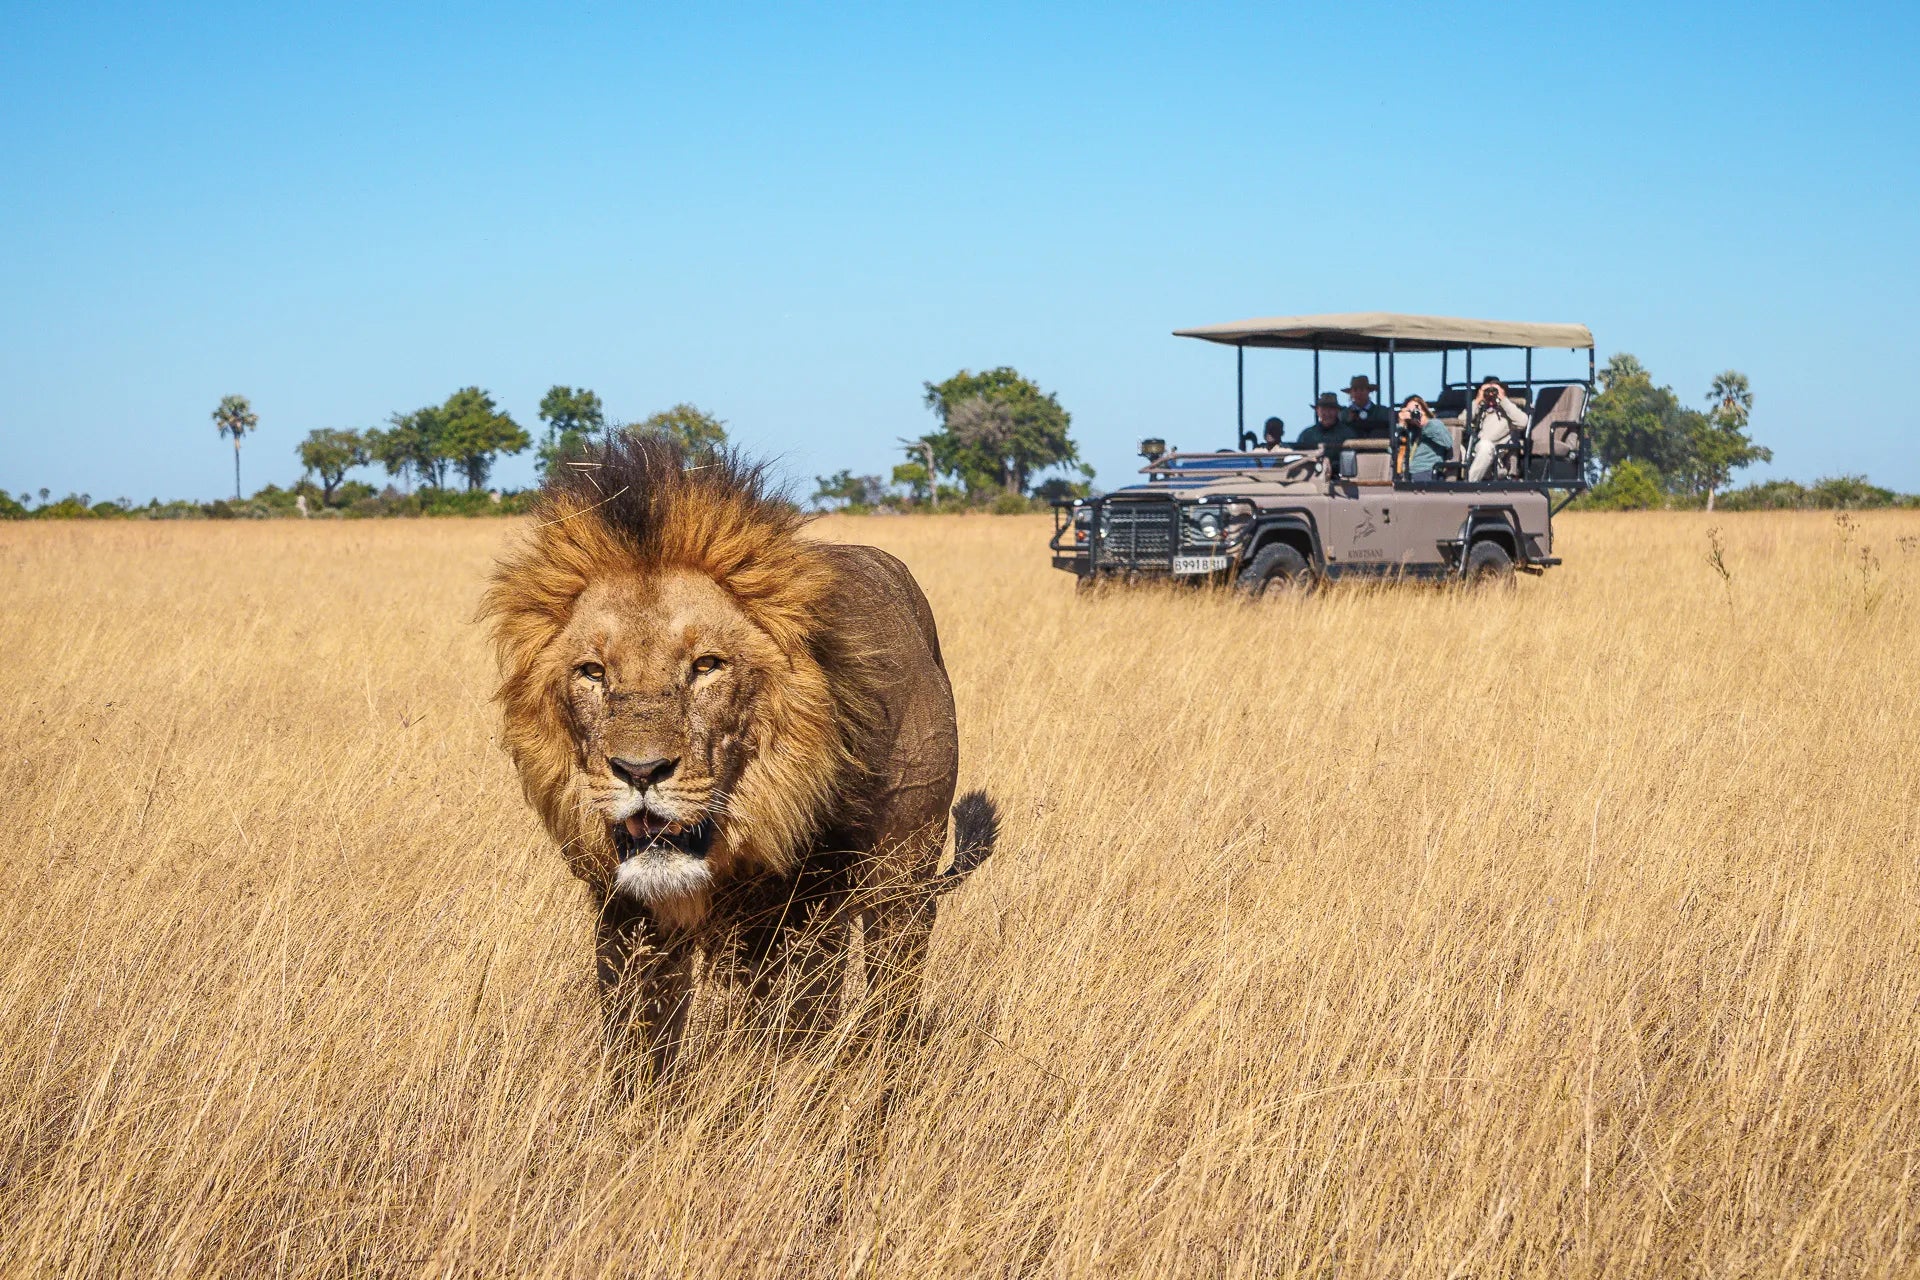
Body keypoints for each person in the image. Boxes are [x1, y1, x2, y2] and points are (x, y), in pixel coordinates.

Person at [1466, 377, 1529, 482]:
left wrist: (1503, 399)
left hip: (1492, 456)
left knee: (1485, 446)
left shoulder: (1508, 412)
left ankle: (1467, 485)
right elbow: (1462, 421)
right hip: (1470, 451)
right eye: (1487, 391)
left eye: (1494, 391)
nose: (1491, 394)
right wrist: (1477, 400)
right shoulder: (1480, 408)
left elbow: (1523, 422)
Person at [1395, 395, 1454, 481]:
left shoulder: (1434, 424)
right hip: (1407, 473)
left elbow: (1448, 442)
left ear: (1424, 409)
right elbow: (1393, 450)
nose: (1415, 413)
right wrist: (1401, 424)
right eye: (1410, 411)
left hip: (1427, 471)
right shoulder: (1409, 431)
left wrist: (1423, 422)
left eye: (1417, 409)